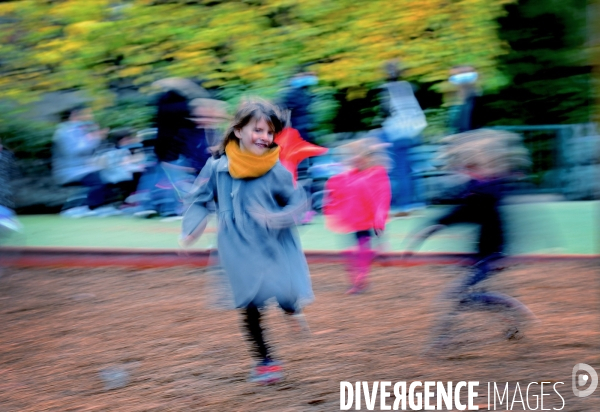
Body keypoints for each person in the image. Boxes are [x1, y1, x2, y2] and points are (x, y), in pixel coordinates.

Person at [180, 98, 313, 384]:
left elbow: (297, 202)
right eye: (258, 130)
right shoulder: (217, 167)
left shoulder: (275, 169)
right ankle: (265, 361)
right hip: (237, 248)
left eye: (269, 133)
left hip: (271, 243)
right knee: (251, 304)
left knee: (284, 291)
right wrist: (193, 227)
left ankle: (291, 309)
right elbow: (200, 198)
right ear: (238, 130)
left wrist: (274, 218)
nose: (265, 138)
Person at [403, 129, 534, 348]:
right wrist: (429, 230)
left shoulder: (487, 190)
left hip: (492, 254)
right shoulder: (478, 189)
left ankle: (446, 340)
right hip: (485, 253)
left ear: (473, 167)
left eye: (462, 166)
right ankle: (511, 318)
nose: (457, 170)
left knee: (456, 296)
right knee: (465, 296)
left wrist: (429, 230)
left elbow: (464, 211)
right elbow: (460, 211)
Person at [323, 137, 391, 294]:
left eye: (357, 157)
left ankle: (360, 279)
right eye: (351, 157)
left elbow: (381, 198)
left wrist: (379, 219)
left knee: (361, 250)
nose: (353, 160)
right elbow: (338, 190)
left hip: (368, 221)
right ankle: (363, 271)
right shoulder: (350, 176)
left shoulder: (376, 175)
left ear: (367, 158)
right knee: (353, 252)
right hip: (354, 221)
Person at [378, 60, 427, 215]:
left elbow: (386, 111)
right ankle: (415, 202)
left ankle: (404, 204)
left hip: (396, 133)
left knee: (400, 171)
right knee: (410, 169)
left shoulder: (386, 90)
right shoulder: (409, 87)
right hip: (411, 132)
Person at [52, 105, 116, 217]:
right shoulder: (63, 131)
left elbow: (90, 149)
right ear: (74, 115)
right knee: (97, 180)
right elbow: (72, 151)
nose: (90, 116)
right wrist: (92, 137)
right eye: (86, 113)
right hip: (70, 169)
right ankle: (78, 207)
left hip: (83, 168)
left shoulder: (81, 129)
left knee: (110, 175)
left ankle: (98, 206)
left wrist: (96, 137)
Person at [448, 65, 483, 133]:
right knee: (469, 113)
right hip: (470, 97)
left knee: (468, 113)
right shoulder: (470, 76)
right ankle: (471, 127)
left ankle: (468, 128)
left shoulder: (459, 77)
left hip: (470, 97)